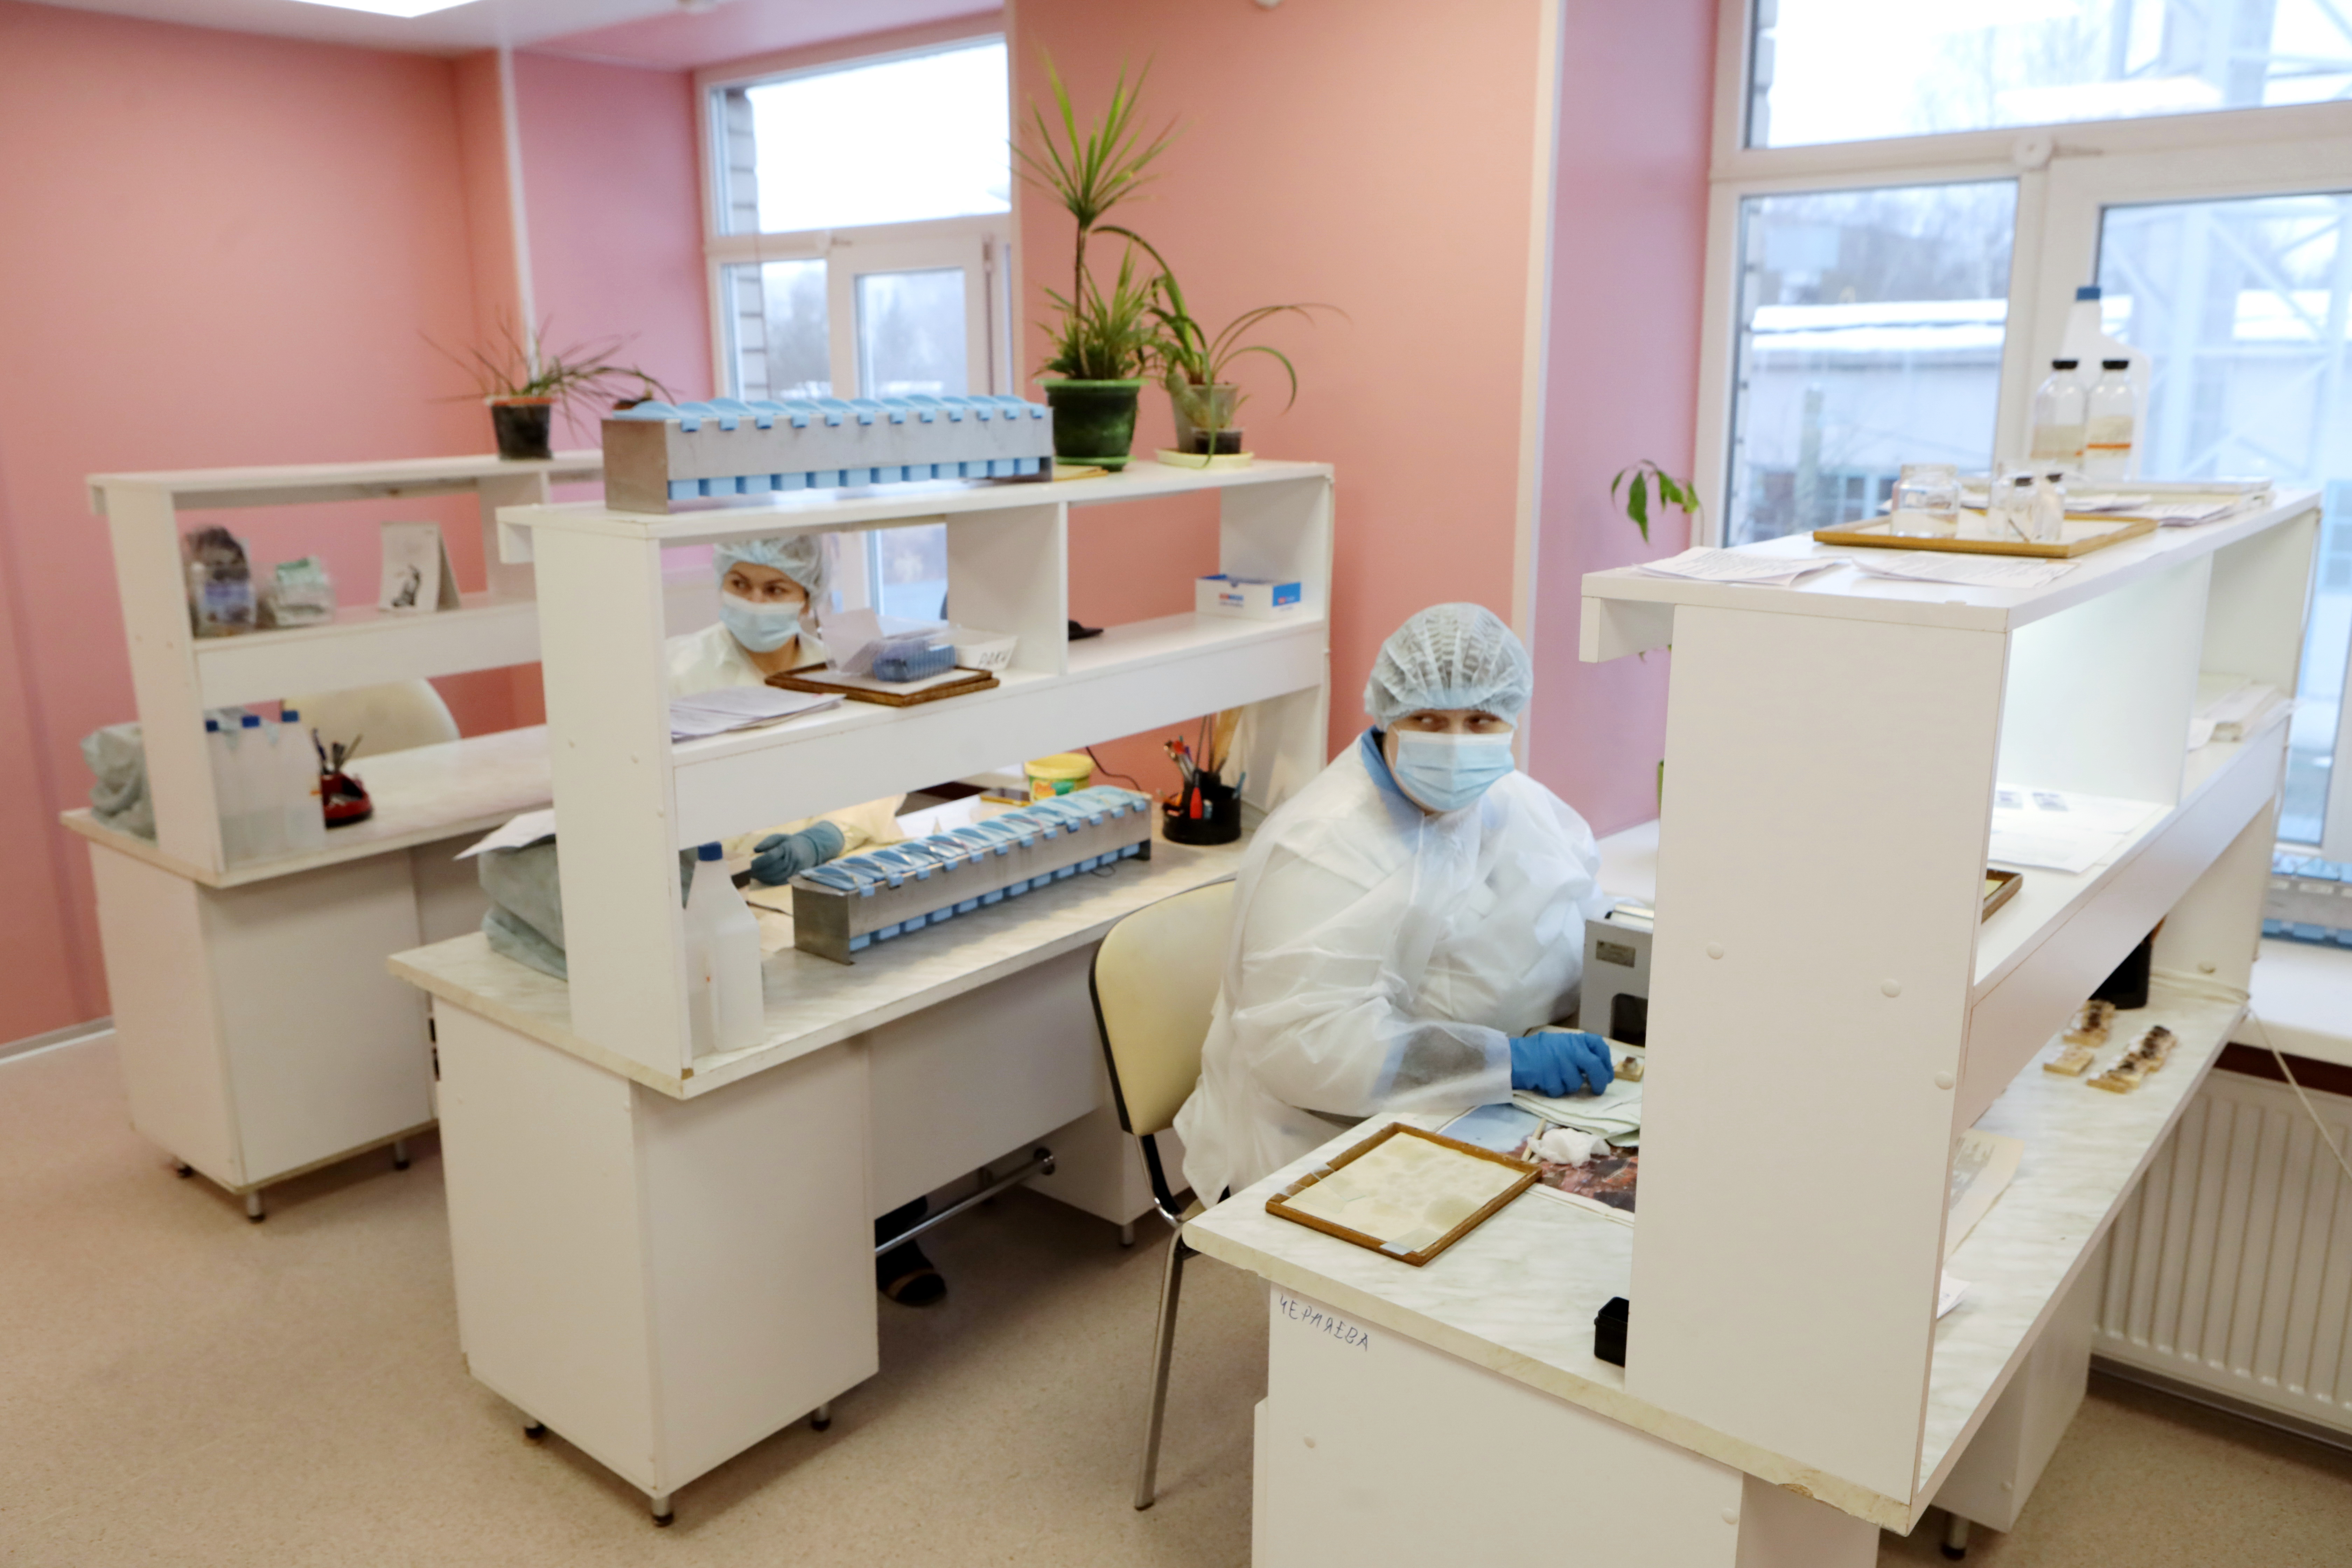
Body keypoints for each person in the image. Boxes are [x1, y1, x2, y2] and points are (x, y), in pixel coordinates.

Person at [1173, 603, 1616, 1203]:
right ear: (1387, 716)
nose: (1457, 745)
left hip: (1466, 1109)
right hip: (1311, 1138)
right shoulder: (1322, 844)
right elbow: (1307, 1051)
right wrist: (1507, 1060)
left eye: (1481, 720)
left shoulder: (1511, 799)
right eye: (1429, 720)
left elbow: (1580, 910)